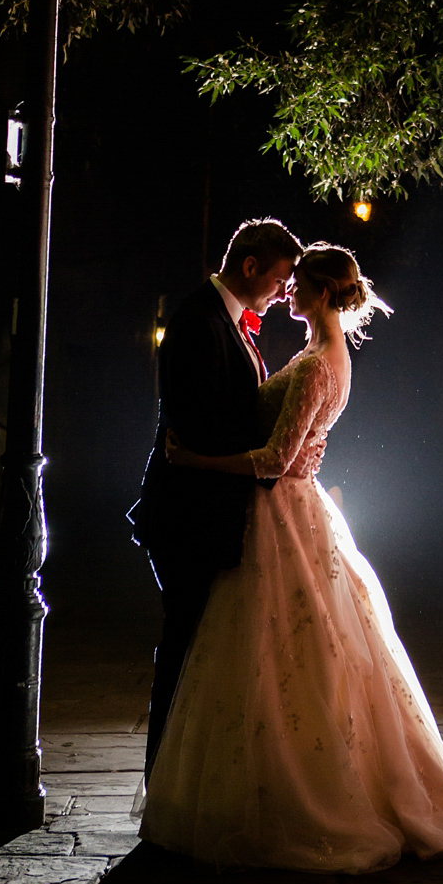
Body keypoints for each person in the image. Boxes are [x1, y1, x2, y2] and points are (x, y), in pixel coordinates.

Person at [139, 243, 443, 872]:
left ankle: (277, 796)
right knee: (291, 657)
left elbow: (275, 461)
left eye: (294, 283)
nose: (285, 293)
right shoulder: (321, 354)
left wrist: (197, 460)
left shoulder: (314, 366)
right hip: (287, 511)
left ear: (319, 293)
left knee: (271, 656)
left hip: (281, 508)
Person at [127, 216, 300, 773]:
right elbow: (200, 423)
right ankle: (165, 778)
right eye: (278, 280)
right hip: (188, 512)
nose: (281, 294)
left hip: (209, 508)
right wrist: (273, 454)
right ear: (249, 267)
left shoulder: (228, 322)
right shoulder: (199, 323)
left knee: (198, 645)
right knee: (184, 643)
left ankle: (187, 773)